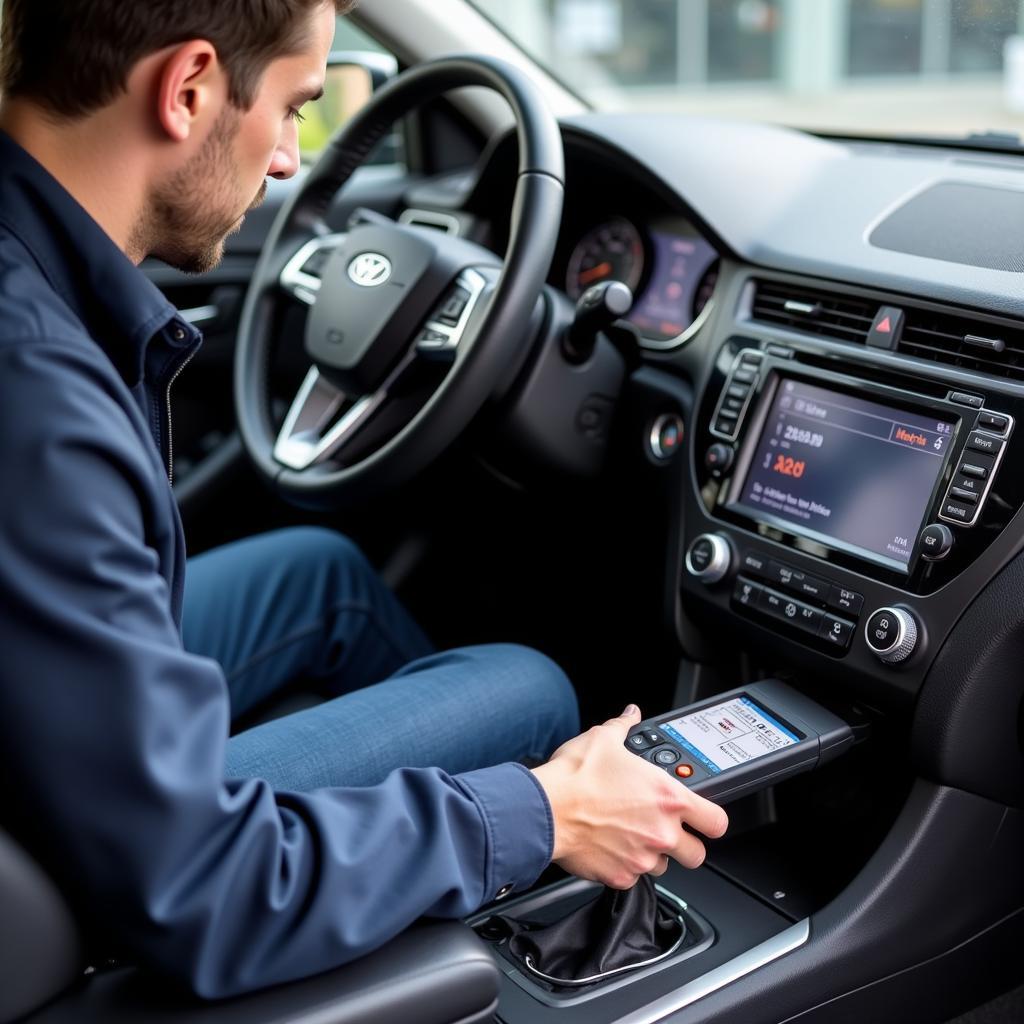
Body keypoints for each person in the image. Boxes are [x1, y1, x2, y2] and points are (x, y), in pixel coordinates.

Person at [0, 0, 729, 1000]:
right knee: (531, 686)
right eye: (297, 106)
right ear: (188, 88)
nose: (292, 160)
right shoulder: (38, 396)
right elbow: (195, 885)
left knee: (320, 573)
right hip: (79, 875)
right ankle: (504, 880)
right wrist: (541, 812)